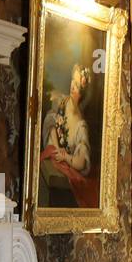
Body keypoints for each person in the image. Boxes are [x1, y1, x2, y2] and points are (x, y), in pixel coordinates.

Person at [39, 64, 99, 207]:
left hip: (63, 174)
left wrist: (65, 156)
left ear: (82, 93)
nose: (73, 86)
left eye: (77, 86)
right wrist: (57, 147)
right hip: (50, 157)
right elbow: (50, 122)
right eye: (73, 81)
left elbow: (80, 162)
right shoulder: (63, 101)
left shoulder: (81, 126)